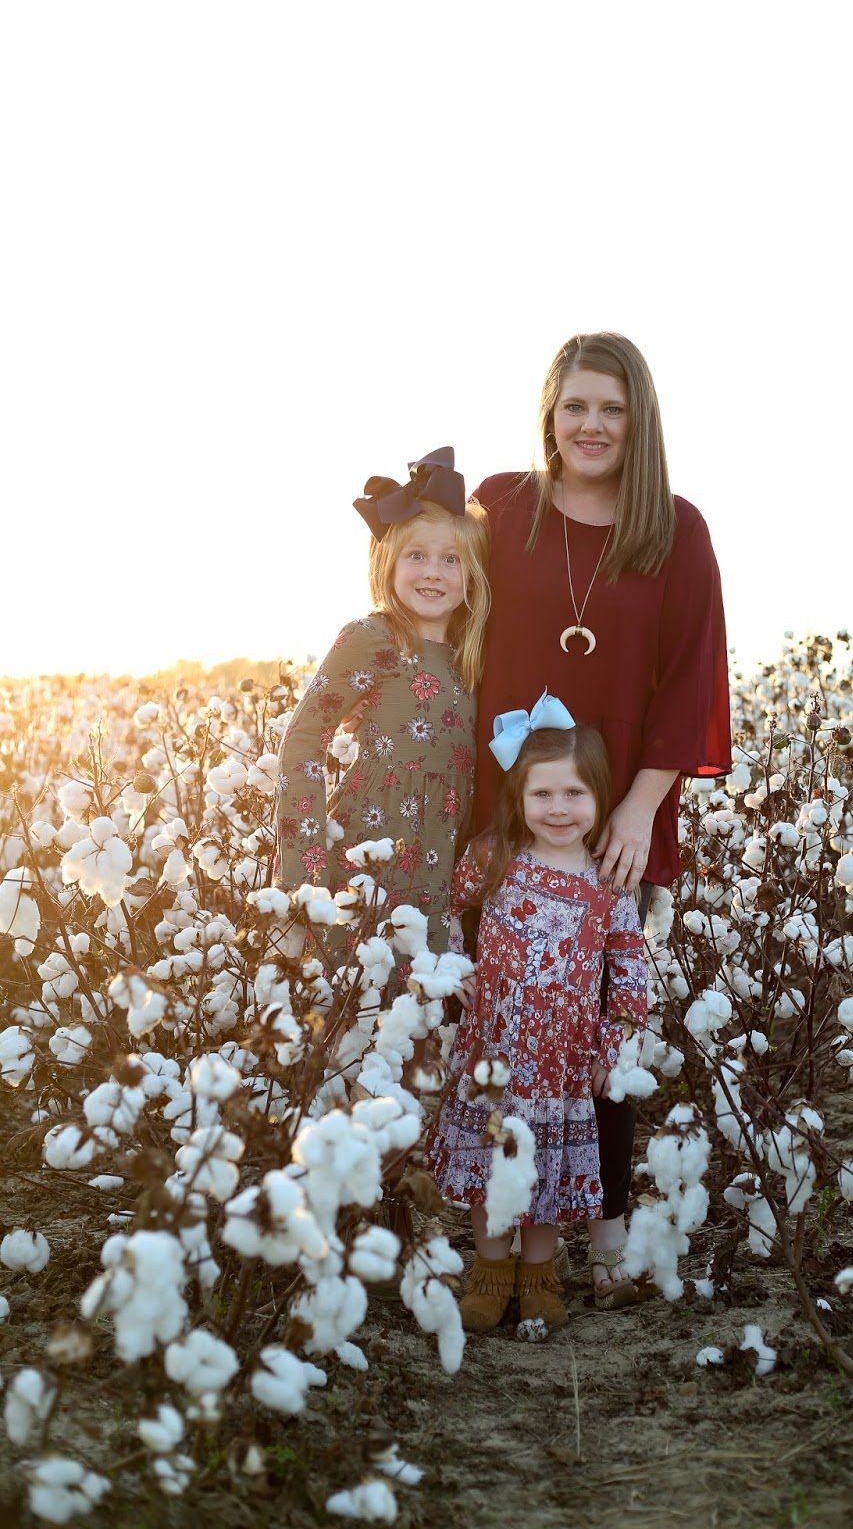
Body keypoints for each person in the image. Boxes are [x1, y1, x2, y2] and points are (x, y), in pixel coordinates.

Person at [470, 332, 731, 1305]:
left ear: (638, 421)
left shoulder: (674, 529)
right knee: (500, 1023)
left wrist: (639, 810)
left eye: (611, 409)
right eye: (575, 405)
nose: (591, 425)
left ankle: (608, 1230)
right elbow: (439, 601)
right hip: (505, 814)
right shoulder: (501, 507)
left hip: (618, 815)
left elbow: (693, 675)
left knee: (602, 1026)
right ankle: (500, 1229)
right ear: (550, 413)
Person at [426, 700, 648, 1331]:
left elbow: (629, 964)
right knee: (492, 1167)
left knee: (545, 1171)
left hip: (562, 1062)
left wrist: (614, 1045)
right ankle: (491, 1274)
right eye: (542, 793)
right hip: (493, 1053)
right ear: (518, 797)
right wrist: (453, 964)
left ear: (600, 798)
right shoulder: (495, 855)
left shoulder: (607, 880)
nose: (558, 809)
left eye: (575, 794)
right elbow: (447, 907)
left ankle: (539, 1276)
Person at [275, 447, 490, 982]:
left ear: (472, 574)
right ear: (387, 562)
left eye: (451, 559)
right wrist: (305, 870)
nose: (433, 572)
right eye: (417, 555)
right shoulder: (371, 638)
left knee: (421, 1011)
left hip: (441, 866)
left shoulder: (474, 654)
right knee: (357, 997)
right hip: (368, 855)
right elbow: (303, 741)